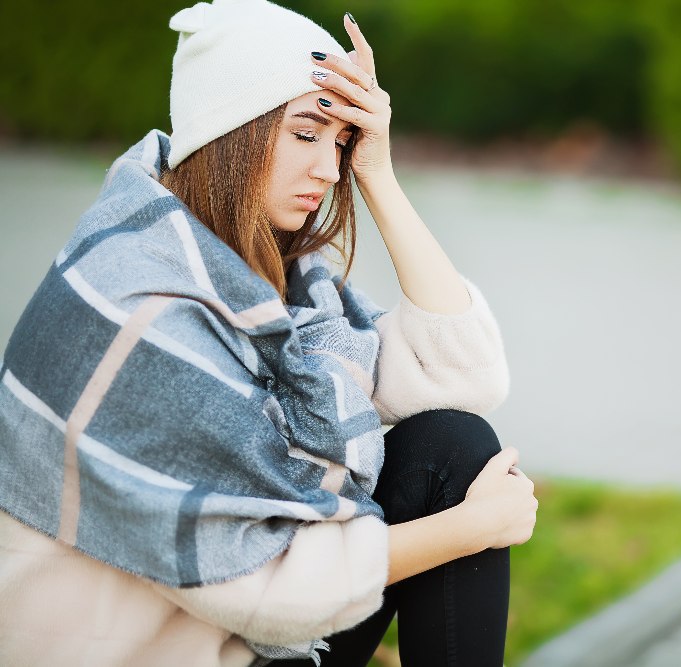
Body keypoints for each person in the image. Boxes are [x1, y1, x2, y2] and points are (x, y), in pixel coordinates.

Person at [0, 1, 538, 666]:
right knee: (454, 483)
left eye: (341, 143)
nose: (330, 171)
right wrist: (475, 527)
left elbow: (465, 376)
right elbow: (265, 585)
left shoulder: (269, 281)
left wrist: (380, 174)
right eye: (308, 134)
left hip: (241, 641)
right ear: (232, 129)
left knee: (452, 445)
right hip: (185, 640)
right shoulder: (139, 307)